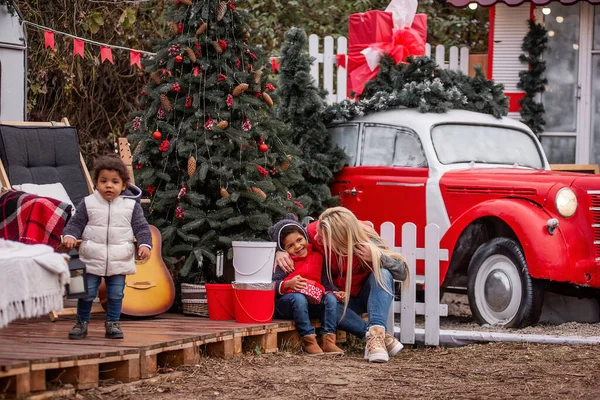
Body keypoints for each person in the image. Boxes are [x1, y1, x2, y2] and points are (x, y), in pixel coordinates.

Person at [275, 207, 408, 363]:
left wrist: (377, 257)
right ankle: (376, 337)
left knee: (383, 274)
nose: (315, 237)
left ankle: (376, 331)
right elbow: (286, 233)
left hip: (365, 298)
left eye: (321, 237)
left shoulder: (364, 237)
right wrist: (279, 250)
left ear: (339, 238)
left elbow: (402, 272)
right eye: (316, 232)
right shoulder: (314, 231)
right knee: (326, 301)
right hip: (336, 302)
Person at [62, 154, 152, 340]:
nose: (109, 185)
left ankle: (112, 323)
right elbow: (76, 223)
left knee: (116, 294)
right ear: (96, 183)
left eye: (114, 182)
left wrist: (145, 244)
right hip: (92, 258)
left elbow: (142, 227)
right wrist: (70, 235)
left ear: (124, 185)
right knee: (86, 294)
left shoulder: (131, 206)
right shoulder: (88, 203)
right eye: (103, 181)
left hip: (119, 259)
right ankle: (81, 322)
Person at [269, 214, 344, 356]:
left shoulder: (318, 257)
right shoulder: (283, 261)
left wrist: (335, 292)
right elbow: (272, 285)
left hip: (312, 302)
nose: (297, 246)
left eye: (299, 240)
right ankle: (309, 340)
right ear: (284, 249)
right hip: (287, 304)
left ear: (305, 237)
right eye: (290, 246)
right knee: (298, 298)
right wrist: (287, 284)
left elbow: (326, 283)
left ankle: (329, 340)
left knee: (330, 298)